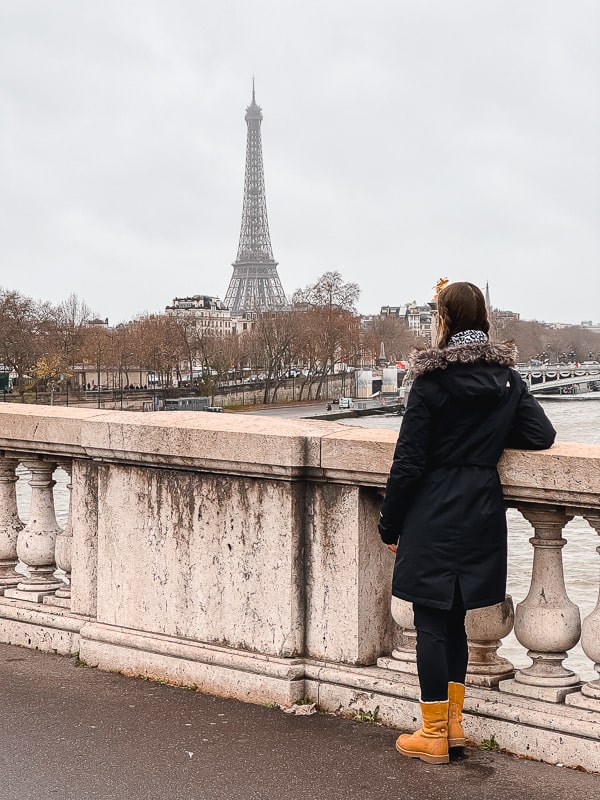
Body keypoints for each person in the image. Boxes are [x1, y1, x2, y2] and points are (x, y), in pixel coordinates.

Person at [378, 281, 556, 765]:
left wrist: (389, 525)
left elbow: (409, 461)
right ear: (485, 321)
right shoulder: (506, 382)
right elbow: (542, 435)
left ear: (444, 320)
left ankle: (433, 732)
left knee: (431, 622)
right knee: (455, 620)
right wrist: (491, 430)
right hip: (480, 507)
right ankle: (453, 727)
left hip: (433, 510)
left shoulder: (431, 382)